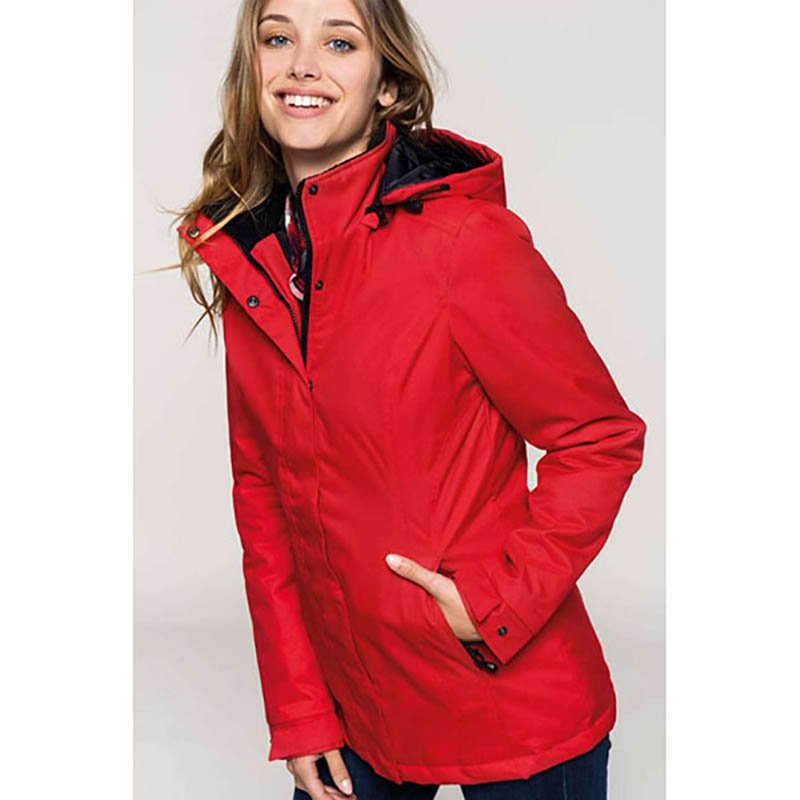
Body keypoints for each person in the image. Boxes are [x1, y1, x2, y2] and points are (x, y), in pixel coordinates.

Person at [173, 0, 647, 798]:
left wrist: (494, 602)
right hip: (356, 709)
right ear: (252, 70)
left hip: (513, 703)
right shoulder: (253, 262)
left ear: (387, 86)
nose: (302, 63)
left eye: (340, 43)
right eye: (277, 37)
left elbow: (599, 436)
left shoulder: (464, 243)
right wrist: (299, 709)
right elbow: (263, 495)